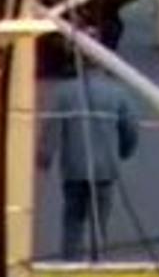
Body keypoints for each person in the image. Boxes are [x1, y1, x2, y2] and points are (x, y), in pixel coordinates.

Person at [38, 41, 140, 261]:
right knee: (99, 220)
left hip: (74, 167)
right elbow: (130, 128)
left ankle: (70, 262)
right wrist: (124, 151)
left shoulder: (65, 92)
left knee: (73, 218)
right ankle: (98, 261)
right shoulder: (117, 93)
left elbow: (52, 128)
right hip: (105, 168)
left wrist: (44, 158)